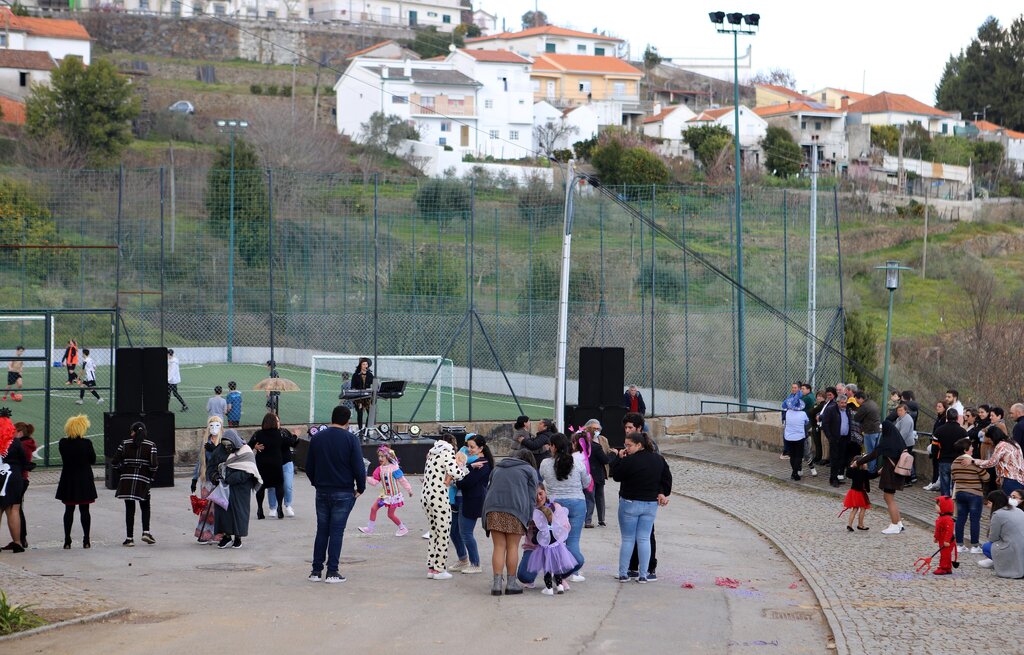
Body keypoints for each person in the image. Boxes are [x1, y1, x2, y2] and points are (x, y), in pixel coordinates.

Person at [304, 405, 366, 583]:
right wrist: (360, 487)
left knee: (322, 530)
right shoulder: (350, 439)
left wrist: (316, 482)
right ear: (348, 421)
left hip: (322, 490)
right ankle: (332, 571)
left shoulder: (317, 438)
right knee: (337, 531)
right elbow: (358, 466)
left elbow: (309, 466)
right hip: (343, 490)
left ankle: (316, 571)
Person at [609, 430, 672, 584]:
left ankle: (624, 573)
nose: (626, 448)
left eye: (629, 445)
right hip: (650, 504)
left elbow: (616, 475)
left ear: (639, 445)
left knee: (628, 539)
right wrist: (662, 492)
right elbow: (667, 478)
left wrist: (619, 458)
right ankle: (643, 574)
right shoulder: (658, 459)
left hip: (630, 502)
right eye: (625, 445)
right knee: (644, 539)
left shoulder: (630, 460)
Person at [481, 448, 538, 595]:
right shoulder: (529, 470)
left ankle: (496, 585)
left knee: (499, 546)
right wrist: (529, 517)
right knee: (512, 547)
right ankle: (511, 584)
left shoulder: (497, 468)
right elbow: (532, 497)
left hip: (493, 509)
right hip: (516, 511)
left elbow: (489, 488)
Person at [538, 433, 590, 582]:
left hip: (555, 505)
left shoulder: (545, 463)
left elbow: (543, 479)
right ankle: (572, 570)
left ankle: (559, 570)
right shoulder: (578, 463)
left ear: (553, 446)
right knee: (573, 541)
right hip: (577, 503)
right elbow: (586, 483)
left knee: (556, 541)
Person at [421, 436, 468, 580]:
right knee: (443, 533)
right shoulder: (446, 453)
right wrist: (464, 470)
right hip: (439, 497)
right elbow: (455, 473)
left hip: (426, 496)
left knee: (434, 532)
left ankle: (432, 567)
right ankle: (440, 569)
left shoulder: (432, 453)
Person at [211, 429, 261, 549]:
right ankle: (226, 537)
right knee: (223, 512)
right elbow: (211, 467)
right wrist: (215, 477)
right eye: (225, 445)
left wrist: (231, 478)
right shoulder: (218, 451)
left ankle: (238, 538)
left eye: (229, 445)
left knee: (239, 512)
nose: (227, 447)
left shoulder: (245, 451)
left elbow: (250, 470)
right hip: (223, 487)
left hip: (241, 487)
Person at [112, 421, 159, 547]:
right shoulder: (151, 445)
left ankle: (129, 538)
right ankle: (146, 532)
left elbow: (114, 462)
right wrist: (150, 478)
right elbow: (154, 466)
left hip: (126, 480)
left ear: (133, 432)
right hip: (143, 480)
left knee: (129, 509)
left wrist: (121, 472)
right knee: (145, 506)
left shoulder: (125, 443)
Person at [856, 420, 907, 535]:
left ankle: (894, 525)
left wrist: (859, 462)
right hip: (897, 473)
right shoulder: (899, 441)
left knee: (888, 498)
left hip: (890, 474)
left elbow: (873, 454)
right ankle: (899, 523)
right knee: (891, 498)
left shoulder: (886, 442)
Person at [55, 415, 96, 549]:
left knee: (69, 510)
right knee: (85, 510)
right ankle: (86, 540)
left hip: (69, 479)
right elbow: (93, 460)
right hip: (84, 479)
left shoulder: (63, 443)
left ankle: (67, 539)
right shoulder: (87, 443)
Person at [454, 434, 493, 574]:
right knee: (456, 531)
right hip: (463, 499)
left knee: (466, 533)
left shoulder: (483, 464)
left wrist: (458, 478)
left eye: (472, 447)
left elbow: (465, 482)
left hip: (472, 501)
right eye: (468, 446)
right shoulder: (474, 463)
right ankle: (463, 559)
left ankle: (475, 563)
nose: (469, 449)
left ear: (481, 448)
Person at [526, 489, 577, 596]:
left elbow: (535, 540)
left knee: (547, 570)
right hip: (558, 550)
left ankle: (549, 588)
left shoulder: (541, 530)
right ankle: (560, 586)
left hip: (545, 552)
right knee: (557, 569)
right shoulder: (555, 528)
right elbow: (561, 536)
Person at [357, 446, 414, 536]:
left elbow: (402, 480)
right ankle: (369, 529)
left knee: (390, 515)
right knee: (373, 508)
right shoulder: (379, 469)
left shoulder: (394, 468)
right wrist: (366, 478)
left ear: (387, 457)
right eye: (379, 456)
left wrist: (409, 490)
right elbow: (375, 482)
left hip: (394, 496)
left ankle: (402, 528)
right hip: (384, 496)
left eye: (382, 456)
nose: (380, 458)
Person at [191, 416, 225, 544]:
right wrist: (194, 479)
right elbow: (200, 461)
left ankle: (218, 534)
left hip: (219, 479)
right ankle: (204, 533)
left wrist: (215, 450)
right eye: (211, 425)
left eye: (217, 425)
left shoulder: (224, 442)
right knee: (206, 508)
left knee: (219, 507)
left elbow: (225, 459)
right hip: (206, 479)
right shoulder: (205, 442)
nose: (214, 428)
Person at [951, 437, 989, 554]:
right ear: (966, 449)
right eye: (971, 446)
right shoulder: (973, 462)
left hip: (960, 493)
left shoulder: (954, 463)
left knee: (960, 519)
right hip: (975, 494)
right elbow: (986, 477)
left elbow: (953, 478)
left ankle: (959, 544)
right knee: (974, 520)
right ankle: (974, 546)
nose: (973, 448)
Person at [249, 412, 287, 520]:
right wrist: (294, 436)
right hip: (276, 463)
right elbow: (290, 442)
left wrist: (255, 446)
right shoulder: (280, 434)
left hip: (262, 464)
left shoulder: (259, 434)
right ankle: (279, 507)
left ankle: (260, 509)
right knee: (279, 485)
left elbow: (248, 445)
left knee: (261, 486)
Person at [977, 490, 1024, 578]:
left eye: (989, 503)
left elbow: (993, 538)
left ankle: (1000, 561)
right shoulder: (1018, 510)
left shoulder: (998, 514)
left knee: (986, 546)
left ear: (994, 503)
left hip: (1012, 548)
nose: (987, 506)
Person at [0, 408, 26, 552]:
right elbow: (24, 460)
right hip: (14, 476)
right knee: (14, 509)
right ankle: (17, 542)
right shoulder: (15, 442)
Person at [576, 419, 611, 527]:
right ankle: (588, 520)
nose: (596, 430)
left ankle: (601, 519)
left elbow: (607, 451)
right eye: (594, 429)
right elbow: (605, 458)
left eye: (598, 428)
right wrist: (613, 455)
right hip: (589, 473)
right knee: (590, 497)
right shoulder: (582, 441)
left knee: (599, 497)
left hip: (599, 473)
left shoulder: (603, 440)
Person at [972, 428, 1024, 496]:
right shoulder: (1013, 443)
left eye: (990, 440)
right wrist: (1000, 476)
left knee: (1009, 504)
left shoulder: (1001, 445)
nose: (990, 442)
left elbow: (992, 462)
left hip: (1010, 479)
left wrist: (975, 461)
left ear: (993, 437)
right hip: (1019, 478)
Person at [821, 393, 853, 487]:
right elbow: (825, 424)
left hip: (844, 438)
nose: (844, 404)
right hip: (835, 438)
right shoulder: (831, 409)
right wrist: (830, 437)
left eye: (845, 403)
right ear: (837, 402)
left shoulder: (847, 410)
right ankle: (833, 478)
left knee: (841, 459)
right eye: (842, 403)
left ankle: (838, 477)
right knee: (834, 459)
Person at [933, 408, 967, 497]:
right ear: (957, 418)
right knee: (956, 484)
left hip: (943, 460)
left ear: (947, 417)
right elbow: (967, 447)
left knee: (944, 484)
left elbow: (934, 447)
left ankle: (945, 503)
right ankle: (955, 502)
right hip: (958, 461)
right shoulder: (963, 432)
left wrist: (936, 458)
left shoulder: (939, 430)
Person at [14, 422, 35, 548]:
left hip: (20, 478)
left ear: (20, 432)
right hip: (22, 478)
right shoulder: (25, 444)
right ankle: (21, 538)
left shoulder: (22, 445)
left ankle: (21, 538)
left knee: (16, 509)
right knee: (17, 509)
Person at [841, 455, 873, 532]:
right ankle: (860, 525)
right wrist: (878, 472)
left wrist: (852, 466)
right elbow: (871, 476)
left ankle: (850, 524)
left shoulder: (854, 471)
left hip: (853, 492)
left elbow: (848, 473)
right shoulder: (864, 472)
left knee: (855, 509)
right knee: (863, 508)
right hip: (860, 493)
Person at [853, 391, 882, 474]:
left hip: (869, 431)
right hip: (876, 430)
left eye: (857, 400)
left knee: (870, 452)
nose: (857, 402)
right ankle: (873, 468)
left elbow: (856, 418)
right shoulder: (873, 403)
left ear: (861, 398)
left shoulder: (864, 406)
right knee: (875, 451)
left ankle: (871, 470)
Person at [923, 401, 949, 491]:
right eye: (937, 406)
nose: (937, 408)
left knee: (937, 464)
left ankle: (935, 483)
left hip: (939, 445)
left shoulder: (944, 419)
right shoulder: (939, 418)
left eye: (940, 406)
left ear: (944, 408)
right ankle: (934, 481)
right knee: (935, 464)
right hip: (934, 443)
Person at [782, 395, 809, 481]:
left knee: (792, 456)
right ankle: (795, 473)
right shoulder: (803, 414)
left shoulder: (788, 413)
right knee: (798, 456)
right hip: (799, 437)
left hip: (789, 437)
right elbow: (806, 422)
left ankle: (794, 472)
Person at [893, 403, 918, 485]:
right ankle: (907, 478)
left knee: (905, 462)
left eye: (901, 410)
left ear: (905, 411)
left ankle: (908, 480)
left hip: (906, 443)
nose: (899, 412)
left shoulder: (907, 420)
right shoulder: (900, 418)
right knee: (904, 461)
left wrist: (896, 443)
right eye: (898, 411)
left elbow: (904, 434)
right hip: (903, 442)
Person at [932, 496, 957, 575]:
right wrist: (936, 537)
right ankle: (948, 568)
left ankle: (943, 567)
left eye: (938, 505)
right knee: (944, 553)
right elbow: (938, 529)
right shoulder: (941, 518)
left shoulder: (947, 519)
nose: (936, 507)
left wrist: (946, 540)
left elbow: (949, 530)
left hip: (947, 541)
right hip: (942, 540)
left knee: (945, 554)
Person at [350, 357, 374, 430]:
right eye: (363, 364)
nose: (365, 366)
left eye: (366, 364)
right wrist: (356, 396)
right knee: (360, 413)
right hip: (358, 397)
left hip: (367, 396)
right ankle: (360, 429)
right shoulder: (356, 375)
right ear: (360, 365)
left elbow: (374, 384)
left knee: (370, 413)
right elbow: (353, 386)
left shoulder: (370, 375)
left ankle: (366, 428)